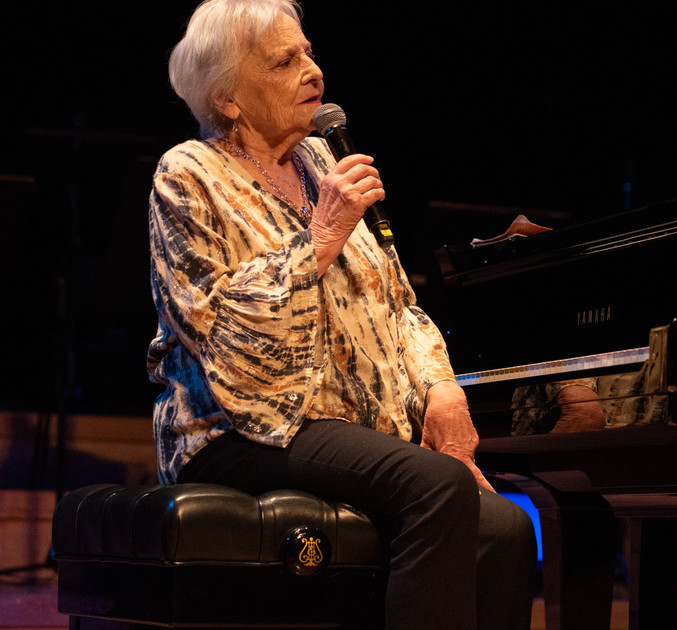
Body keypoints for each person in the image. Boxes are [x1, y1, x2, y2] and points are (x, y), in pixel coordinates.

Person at [145, 1, 536, 628]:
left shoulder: (322, 163)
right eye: (285, 61)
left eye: (308, 52)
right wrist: (320, 240)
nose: (314, 71)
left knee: (506, 526)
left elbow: (398, 300)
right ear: (227, 99)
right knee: (435, 484)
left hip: (352, 427)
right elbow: (218, 333)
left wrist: (441, 388)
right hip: (237, 428)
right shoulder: (189, 175)